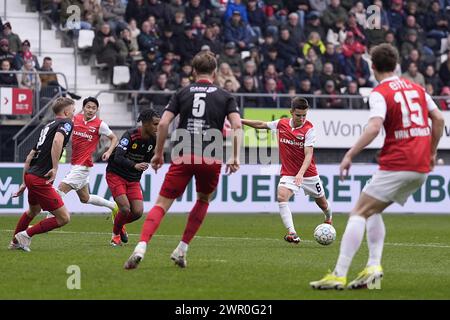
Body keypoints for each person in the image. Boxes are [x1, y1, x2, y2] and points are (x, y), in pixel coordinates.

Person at [310, 44, 445, 290]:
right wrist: (433, 151)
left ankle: (339, 274)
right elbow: (438, 118)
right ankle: (373, 267)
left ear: (373, 67)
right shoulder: (417, 88)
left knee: (358, 212)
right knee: (372, 210)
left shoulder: (380, 92)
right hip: (420, 166)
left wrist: (350, 154)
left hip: (398, 162)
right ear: (396, 65)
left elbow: (373, 127)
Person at [124, 51, 242, 269]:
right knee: (203, 200)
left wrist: (158, 154)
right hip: (210, 157)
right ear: (215, 73)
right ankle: (182, 249)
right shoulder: (225, 96)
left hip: (183, 154)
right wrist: (234, 156)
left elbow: (162, 124)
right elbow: (236, 126)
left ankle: (141, 246)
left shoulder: (182, 92)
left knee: (161, 204)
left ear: (193, 72)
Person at [241, 97, 333, 244]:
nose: (302, 118)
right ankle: (292, 233)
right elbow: (260, 124)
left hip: (308, 174)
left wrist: (301, 174)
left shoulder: (309, 129)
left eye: (304, 115)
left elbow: (309, 154)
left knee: (323, 204)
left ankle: (328, 218)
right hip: (289, 173)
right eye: (298, 115)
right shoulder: (281, 124)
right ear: (291, 112)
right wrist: (240, 120)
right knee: (281, 196)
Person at [8, 97, 75, 252]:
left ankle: (15, 242)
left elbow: (30, 155)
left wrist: (25, 182)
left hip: (31, 176)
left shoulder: (47, 126)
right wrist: (55, 167)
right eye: (73, 109)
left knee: (33, 211)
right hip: (40, 179)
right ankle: (25, 235)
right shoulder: (66, 123)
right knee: (63, 218)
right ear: (66, 112)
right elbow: (58, 142)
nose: (74, 112)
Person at [44, 97, 118, 219]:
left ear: (97, 110)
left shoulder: (100, 124)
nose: (90, 110)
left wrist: (109, 152)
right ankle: (113, 206)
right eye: (88, 107)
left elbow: (114, 138)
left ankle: (47, 221)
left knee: (59, 191)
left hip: (84, 166)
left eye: (94, 108)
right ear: (83, 108)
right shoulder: (75, 119)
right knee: (85, 198)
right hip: (74, 163)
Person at [106, 108, 160, 246]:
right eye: (155, 124)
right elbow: (118, 157)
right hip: (116, 174)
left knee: (137, 212)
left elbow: (146, 159)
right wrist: (134, 165)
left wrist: (153, 162)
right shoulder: (130, 135)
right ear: (146, 124)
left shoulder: (153, 140)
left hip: (133, 179)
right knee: (124, 208)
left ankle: (119, 223)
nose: (157, 127)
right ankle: (115, 235)